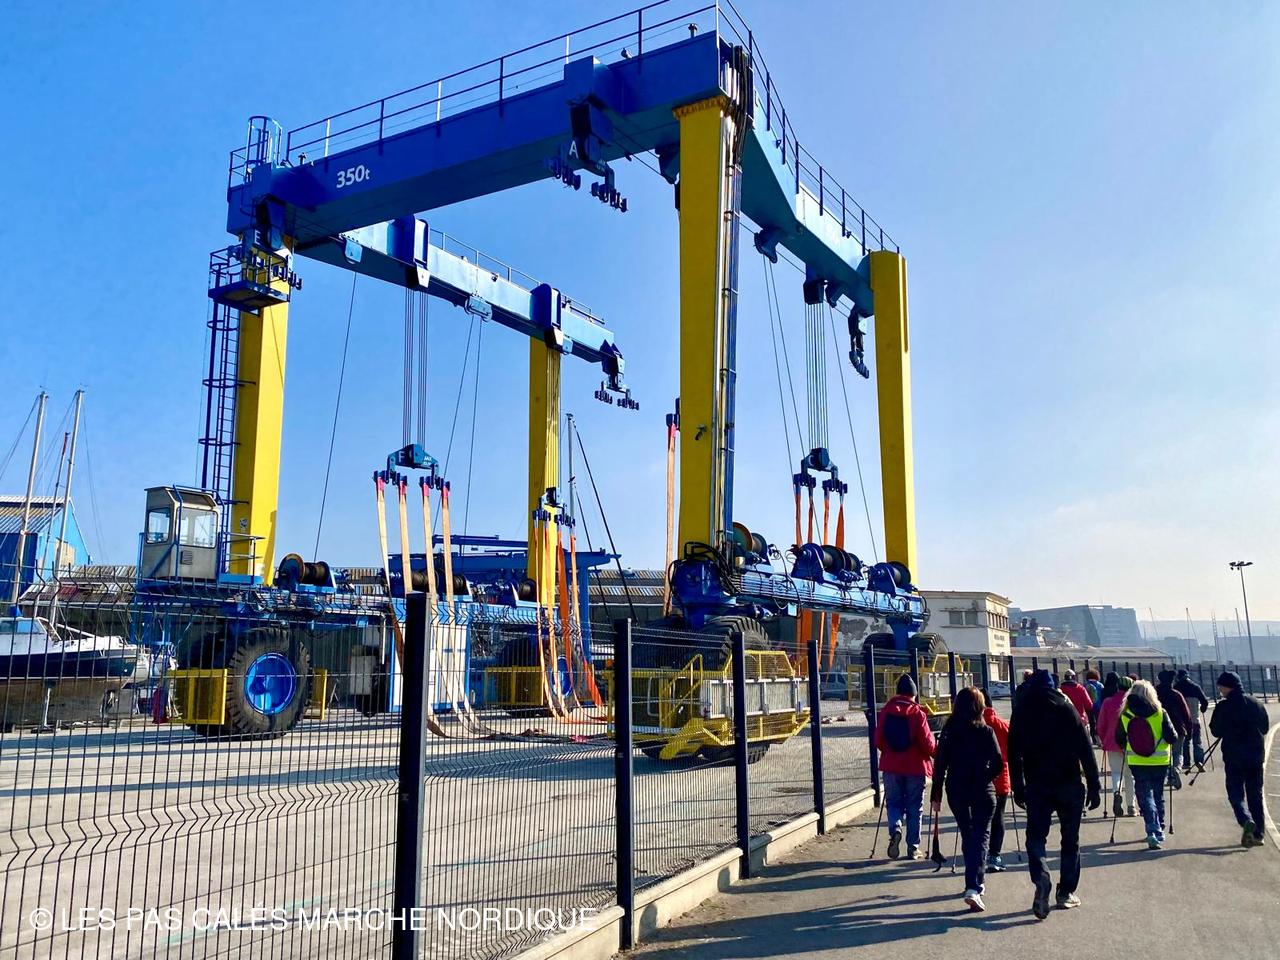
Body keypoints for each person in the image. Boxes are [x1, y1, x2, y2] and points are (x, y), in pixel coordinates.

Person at [1008, 670, 1101, 920]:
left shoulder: (1022, 711)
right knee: (1070, 839)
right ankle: (1066, 892)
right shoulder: (1065, 707)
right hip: (1068, 782)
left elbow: (1013, 753)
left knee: (1035, 838)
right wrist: (1094, 785)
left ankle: (1041, 878)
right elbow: (1085, 748)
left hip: (1037, 784)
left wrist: (1018, 787)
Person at [930, 687, 1004, 912]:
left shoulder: (949, 731)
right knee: (981, 836)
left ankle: (974, 881)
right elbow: (998, 762)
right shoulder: (986, 731)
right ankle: (974, 885)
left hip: (956, 788)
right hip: (982, 789)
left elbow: (940, 764)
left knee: (967, 833)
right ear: (980, 706)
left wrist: (936, 793)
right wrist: (985, 777)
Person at [875, 673, 936, 859]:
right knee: (914, 807)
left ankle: (895, 828)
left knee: (893, 802)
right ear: (914, 694)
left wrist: (889, 752)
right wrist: (936, 752)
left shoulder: (886, 711)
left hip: (891, 766)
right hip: (915, 767)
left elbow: (878, 739)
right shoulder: (918, 713)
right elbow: (928, 744)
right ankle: (913, 847)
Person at [1208, 671, 1270, 847]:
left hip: (1234, 757)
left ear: (1227, 687)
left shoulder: (1223, 707)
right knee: (1255, 794)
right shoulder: (1255, 703)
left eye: (1221, 687)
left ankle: (1245, 819)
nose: (1220, 690)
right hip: (1255, 756)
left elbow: (1215, 731)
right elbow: (1265, 728)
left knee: (1235, 793)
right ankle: (1258, 834)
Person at [1114, 679, 1177, 850]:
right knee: (1158, 794)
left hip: (1137, 760)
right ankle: (1160, 828)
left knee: (1144, 795)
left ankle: (1152, 829)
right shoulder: (1160, 713)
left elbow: (1119, 739)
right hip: (1160, 760)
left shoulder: (1126, 714)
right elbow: (1172, 737)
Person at [980, 688, 1012, 872]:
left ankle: (978, 854)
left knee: (979, 818)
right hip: (1001, 777)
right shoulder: (1001, 725)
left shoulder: (972, 725)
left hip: (978, 778)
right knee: (998, 817)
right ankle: (995, 855)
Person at [1096, 675, 1135, 817]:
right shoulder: (1133, 703)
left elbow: (1101, 725)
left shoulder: (1108, 702)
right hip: (1131, 744)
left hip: (1112, 743)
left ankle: (1116, 792)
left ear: (1118, 687)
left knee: (1116, 773)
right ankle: (1131, 806)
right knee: (1130, 775)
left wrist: (1103, 740)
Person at [1155, 670, 1192, 789]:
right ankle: (1176, 769)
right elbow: (1186, 714)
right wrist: (1189, 730)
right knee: (1178, 753)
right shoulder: (1176, 694)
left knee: (1164, 755)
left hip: (1159, 729)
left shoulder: (1154, 694)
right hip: (1178, 727)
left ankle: (1169, 776)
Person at [1174, 669, 1210, 772]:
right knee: (1197, 742)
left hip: (1182, 721)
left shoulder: (1176, 688)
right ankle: (1199, 762)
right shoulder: (1195, 687)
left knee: (1185, 743)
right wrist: (1203, 708)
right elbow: (1205, 702)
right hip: (1195, 719)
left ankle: (1186, 763)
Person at [1083, 670, 1105, 743]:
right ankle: (1098, 737)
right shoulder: (1100, 685)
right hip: (1099, 707)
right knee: (1098, 722)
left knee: (1091, 722)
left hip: (1088, 707)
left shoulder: (1085, 685)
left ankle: (1092, 738)